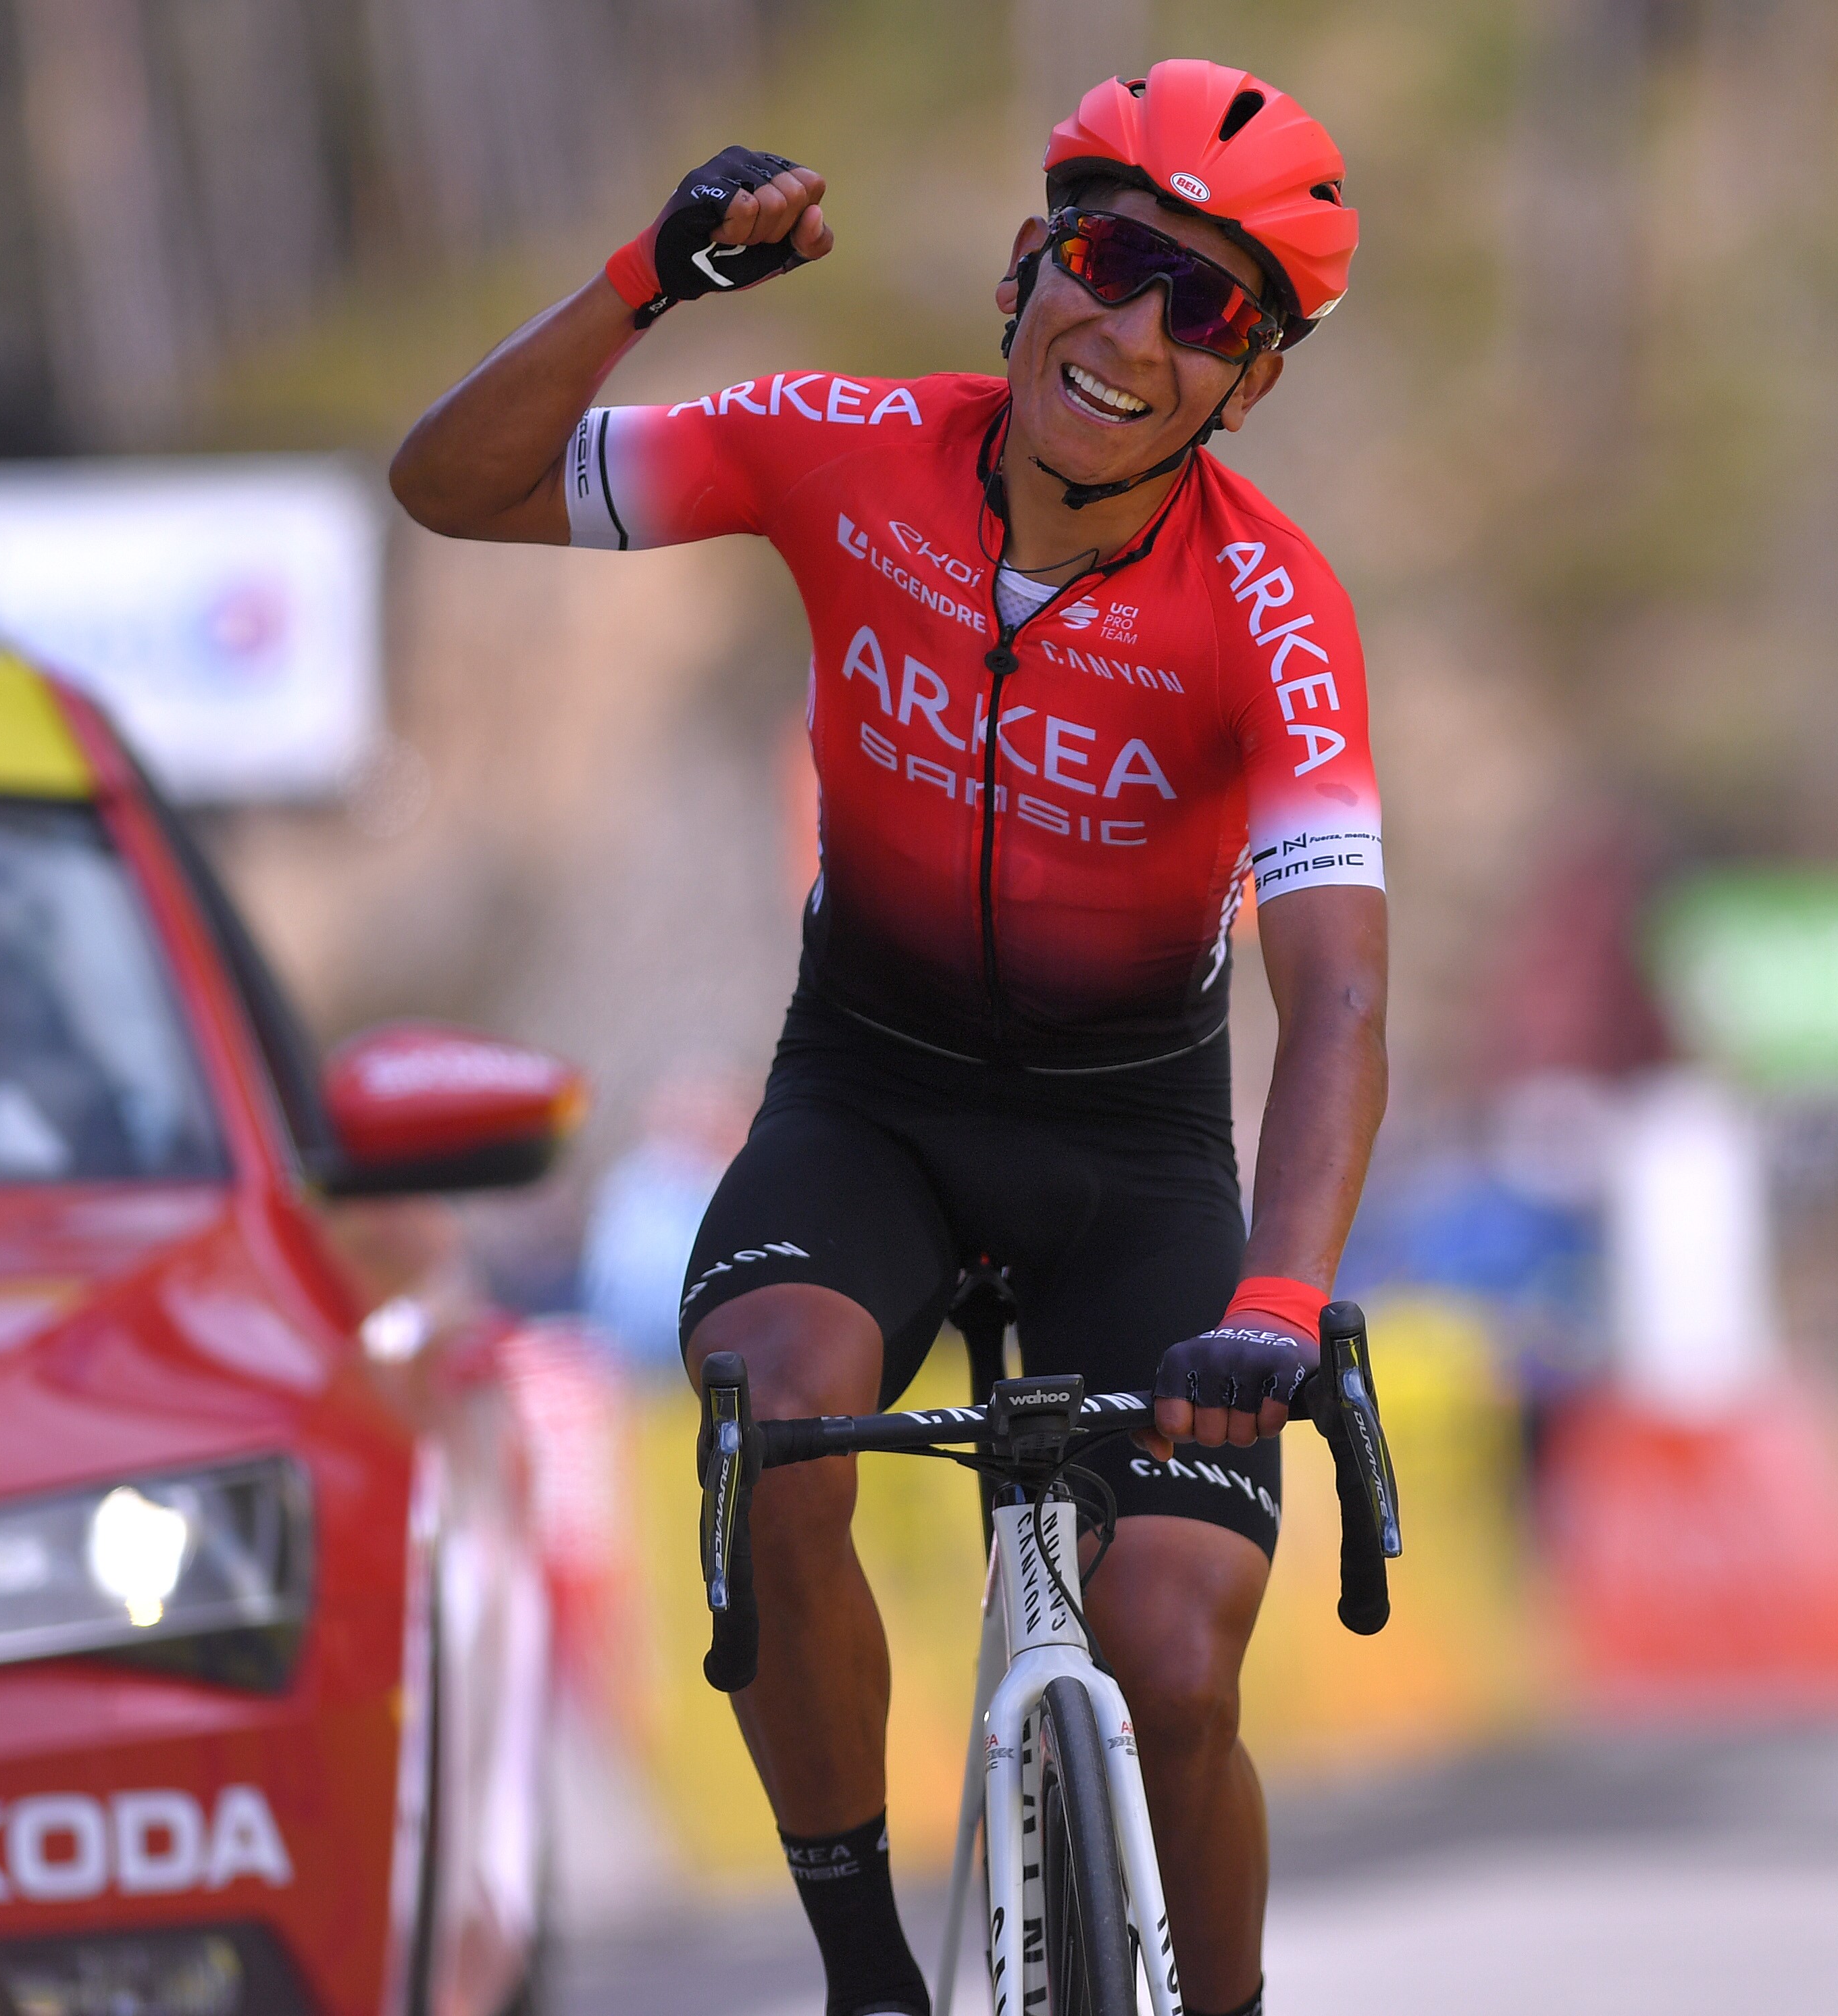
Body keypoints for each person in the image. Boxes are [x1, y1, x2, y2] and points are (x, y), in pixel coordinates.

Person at [392, 60, 1385, 2016]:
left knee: (1179, 1657)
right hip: (873, 1106)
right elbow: (455, 486)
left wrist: (1276, 1306)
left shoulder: (1273, 609)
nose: (1136, 333)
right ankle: (864, 1974)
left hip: (1139, 1159)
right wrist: (641, 282)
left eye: (1210, 314)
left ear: (1248, 385)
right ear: (1029, 265)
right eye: (1112, 262)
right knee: (767, 1418)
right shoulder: (840, 448)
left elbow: (1337, 988)